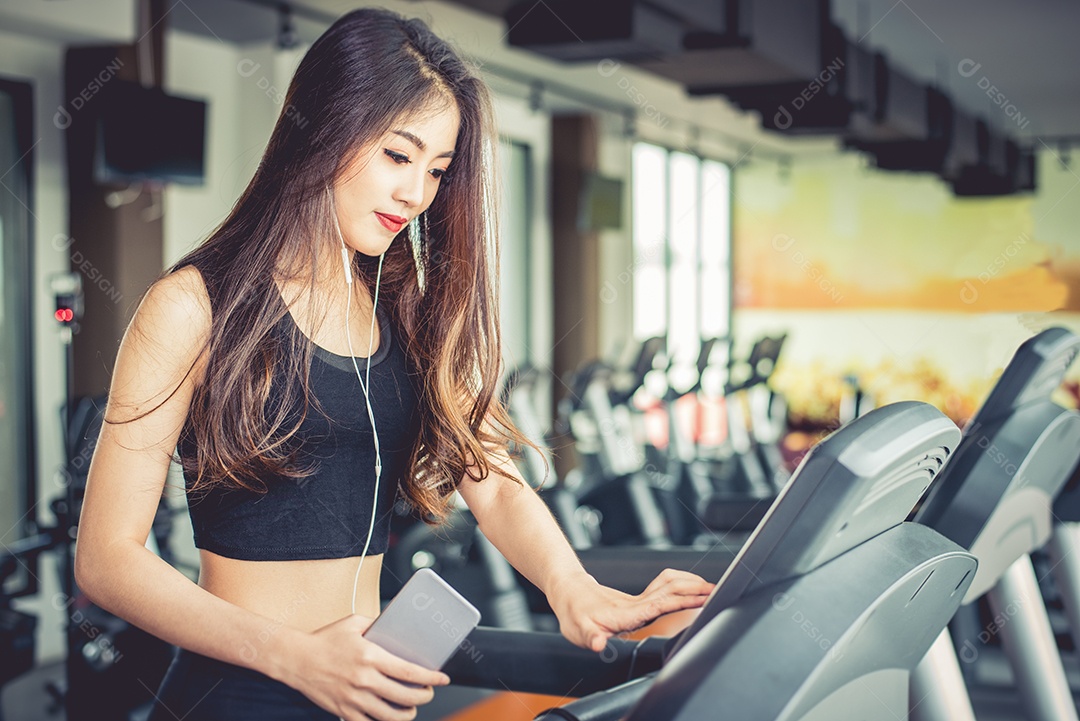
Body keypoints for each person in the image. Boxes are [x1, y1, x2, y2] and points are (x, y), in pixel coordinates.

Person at [75, 7, 714, 721]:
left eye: (437, 170)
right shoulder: (193, 307)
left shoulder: (403, 309)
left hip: (372, 693)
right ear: (323, 129)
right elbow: (106, 556)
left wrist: (572, 586)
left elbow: (493, 481)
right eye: (398, 156)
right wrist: (297, 656)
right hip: (241, 694)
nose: (417, 194)